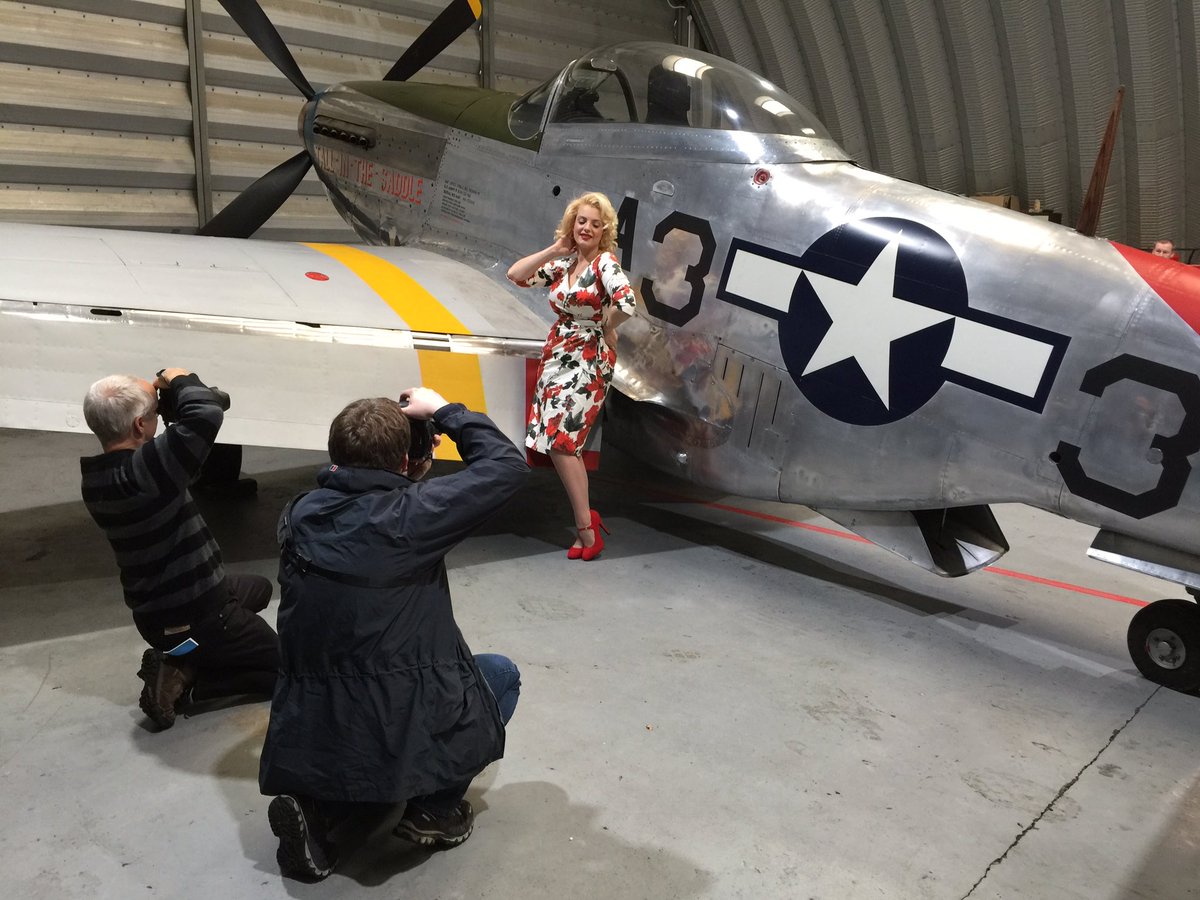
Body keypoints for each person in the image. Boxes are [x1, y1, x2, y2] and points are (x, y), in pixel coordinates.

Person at [259, 387, 527, 882]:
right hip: (394, 715)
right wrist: (445, 411)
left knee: (354, 694)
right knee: (498, 675)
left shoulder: (298, 515)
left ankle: (321, 813)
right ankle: (434, 809)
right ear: (408, 461)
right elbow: (507, 467)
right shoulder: (411, 518)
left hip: (313, 725)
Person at [80, 369, 280, 730]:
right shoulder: (152, 469)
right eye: (156, 412)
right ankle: (191, 677)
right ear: (140, 426)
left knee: (260, 588)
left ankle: (185, 655)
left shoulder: (96, 478)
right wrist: (179, 377)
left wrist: (161, 406)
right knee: (294, 672)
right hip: (199, 615)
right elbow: (206, 413)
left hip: (160, 610)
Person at [506, 191, 636, 560]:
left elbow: (627, 302)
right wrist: (554, 249)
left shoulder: (604, 264)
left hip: (589, 359)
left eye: (596, 224)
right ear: (572, 223)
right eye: (582, 221)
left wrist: (605, 324)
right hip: (558, 352)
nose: (587, 229)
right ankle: (586, 521)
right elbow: (516, 275)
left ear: (604, 230)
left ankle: (586, 527)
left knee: (564, 443)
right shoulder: (566, 263)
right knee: (563, 444)